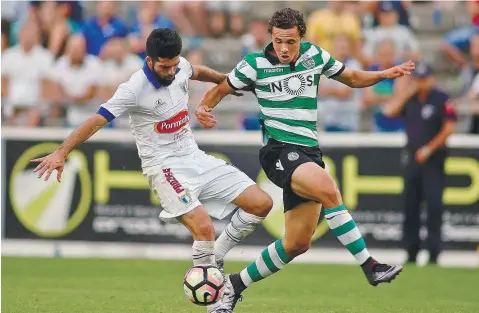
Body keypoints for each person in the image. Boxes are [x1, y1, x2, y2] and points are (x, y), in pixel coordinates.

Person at [30, 29, 273, 309]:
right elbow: (96, 120)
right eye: (164, 66)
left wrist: (224, 81)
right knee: (204, 228)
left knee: (261, 203)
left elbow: (195, 71)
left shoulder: (179, 65)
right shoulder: (133, 89)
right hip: (164, 168)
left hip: (194, 156)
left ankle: (214, 259)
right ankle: (216, 303)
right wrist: (62, 152)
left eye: (174, 65)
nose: (171, 71)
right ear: (149, 60)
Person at [196, 8, 415, 312]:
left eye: (290, 42)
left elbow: (350, 77)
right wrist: (204, 108)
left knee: (296, 243)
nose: (284, 48)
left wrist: (382, 74)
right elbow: (220, 89)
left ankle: (232, 286)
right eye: (278, 41)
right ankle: (370, 265)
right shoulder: (253, 65)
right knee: (329, 189)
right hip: (279, 151)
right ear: (271, 37)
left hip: (308, 152)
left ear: (301, 38)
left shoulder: (314, 55)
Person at [383, 62, 457, 265]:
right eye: (419, 79)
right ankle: (411, 250)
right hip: (412, 159)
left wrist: (429, 148)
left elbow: (449, 128)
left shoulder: (441, 99)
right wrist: (408, 92)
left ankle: (434, 252)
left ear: (432, 79)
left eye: (425, 79)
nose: (422, 83)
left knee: (433, 205)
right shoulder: (411, 99)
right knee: (410, 205)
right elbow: (389, 111)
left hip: (433, 160)